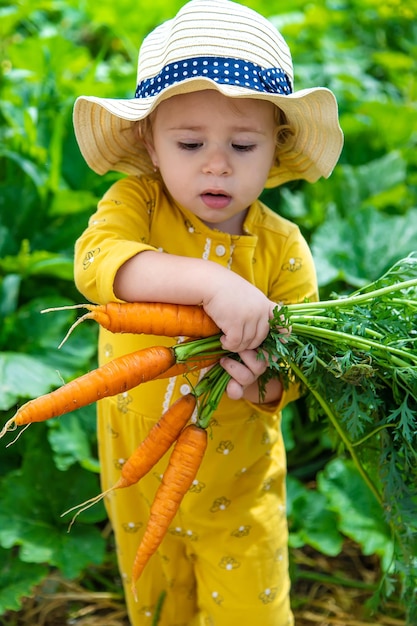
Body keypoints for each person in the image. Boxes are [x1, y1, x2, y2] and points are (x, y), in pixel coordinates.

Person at [72, 1, 343, 624]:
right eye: (190, 143)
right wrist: (211, 283)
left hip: (239, 489)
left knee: (252, 609)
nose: (216, 163)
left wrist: (265, 381)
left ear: (276, 149)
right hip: (137, 477)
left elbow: (299, 374)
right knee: (157, 601)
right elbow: (97, 263)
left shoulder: (283, 248)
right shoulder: (136, 203)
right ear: (150, 140)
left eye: (242, 145)